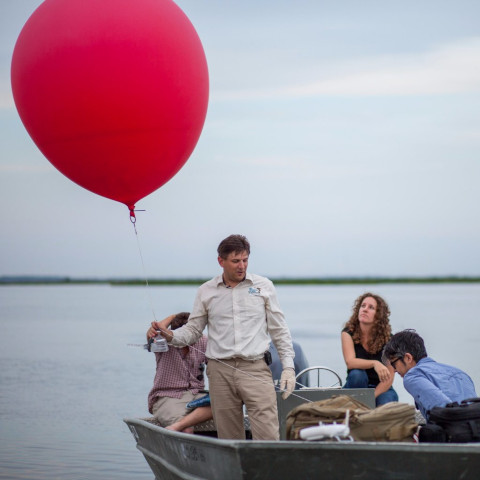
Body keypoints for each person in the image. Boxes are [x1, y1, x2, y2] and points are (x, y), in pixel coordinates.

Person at [158, 234, 296, 440]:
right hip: (219, 371)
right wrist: (170, 336)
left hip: (256, 368)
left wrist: (288, 367)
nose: (241, 266)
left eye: (245, 260)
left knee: (268, 435)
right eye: (235, 261)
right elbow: (193, 331)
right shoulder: (205, 291)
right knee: (230, 439)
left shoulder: (264, 286)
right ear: (221, 261)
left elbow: (279, 329)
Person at [382, 329, 477, 421]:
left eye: (393, 364)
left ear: (408, 358)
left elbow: (445, 411)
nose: (394, 370)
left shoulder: (412, 376)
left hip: (455, 432)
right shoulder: (460, 373)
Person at [147, 312, 212, 433]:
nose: (186, 339)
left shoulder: (202, 340)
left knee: (227, 402)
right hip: (168, 396)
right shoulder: (162, 342)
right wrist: (172, 316)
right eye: (182, 336)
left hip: (197, 393)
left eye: (189, 335)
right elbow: (153, 334)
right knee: (186, 429)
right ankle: (181, 431)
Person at [341, 292, 398, 406]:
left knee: (387, 404)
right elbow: (350, 362)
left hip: (381, 387)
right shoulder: (348, 333)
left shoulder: (389, 339)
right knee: (357, 374)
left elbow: (389, 378)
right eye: (363, 306)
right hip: (355, 386)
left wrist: (371, 397)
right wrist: (375, 363)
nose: (365, 309)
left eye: (371, 307)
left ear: (378, 315)